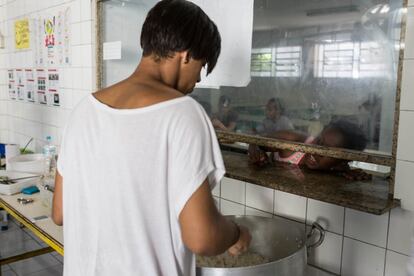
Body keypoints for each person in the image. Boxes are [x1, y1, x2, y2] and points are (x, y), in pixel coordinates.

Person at [52, 1, 251, 275]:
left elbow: (60, 213)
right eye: (202, 66)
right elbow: (202, 238)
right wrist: (236, 234)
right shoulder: (183, 113)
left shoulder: (83, 112)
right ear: (186, 55)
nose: (198, 81)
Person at [248, 119, 370, 180]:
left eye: (326, 152)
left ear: (341, 162)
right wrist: (255, 149)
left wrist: (343, 173)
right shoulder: (293, 142)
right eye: (319, 141)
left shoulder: (339, 167)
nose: (316, 151)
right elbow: (257, 140)